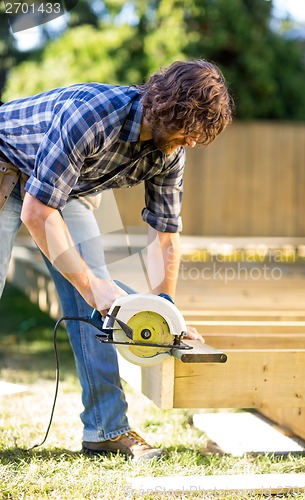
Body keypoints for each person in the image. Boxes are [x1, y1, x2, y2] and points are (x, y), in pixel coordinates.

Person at [0, 59, 233, 462]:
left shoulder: (171, 151)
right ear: (165, 106)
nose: (192, 142)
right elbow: (36, 213)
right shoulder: (92, 114)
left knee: (104, 305)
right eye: (188, 130)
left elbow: (166, 238)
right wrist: (91, 285)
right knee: (92, 286)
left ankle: (106, 430)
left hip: (62, 190)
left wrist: (167, 315)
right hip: (5, 161)